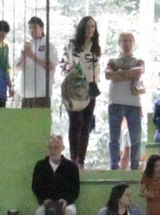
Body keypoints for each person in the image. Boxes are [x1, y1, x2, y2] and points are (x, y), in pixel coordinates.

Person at [60, 17, 102, 165]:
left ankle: (81, 159)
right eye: (88, 26)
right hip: (75, 87)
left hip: (91, 88)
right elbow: (63, 63)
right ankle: (73, 158)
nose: (90, 29)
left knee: (86, 124)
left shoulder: (96, 47)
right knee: (75, 122)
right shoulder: (72, 45)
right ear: (82, 28)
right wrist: (68, 67)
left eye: (93, 26)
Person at [101, 32, 145, 168]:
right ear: (119, 43)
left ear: (133, 43)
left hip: (134, 103)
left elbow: (139, 71)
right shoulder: (113, 60)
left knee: (135, 139)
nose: (127, 44)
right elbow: (108, 74)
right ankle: (114, 166)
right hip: (115, 102)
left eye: (130, 41)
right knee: (114, 138)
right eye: (124, 41)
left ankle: (135, 167)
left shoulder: (138, 60)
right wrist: (129, 73)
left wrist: (119, 73)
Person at [15, 15, 54, 111]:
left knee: (40, 119)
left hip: (42, 93)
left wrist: (32, 56)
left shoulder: (49, 45)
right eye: (30, 28)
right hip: (26, 93)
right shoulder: (27, 45)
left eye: (35, 27)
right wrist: (24, 57)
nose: (32, 30)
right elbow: (17, 68)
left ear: (42, 28)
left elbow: (51, 66)